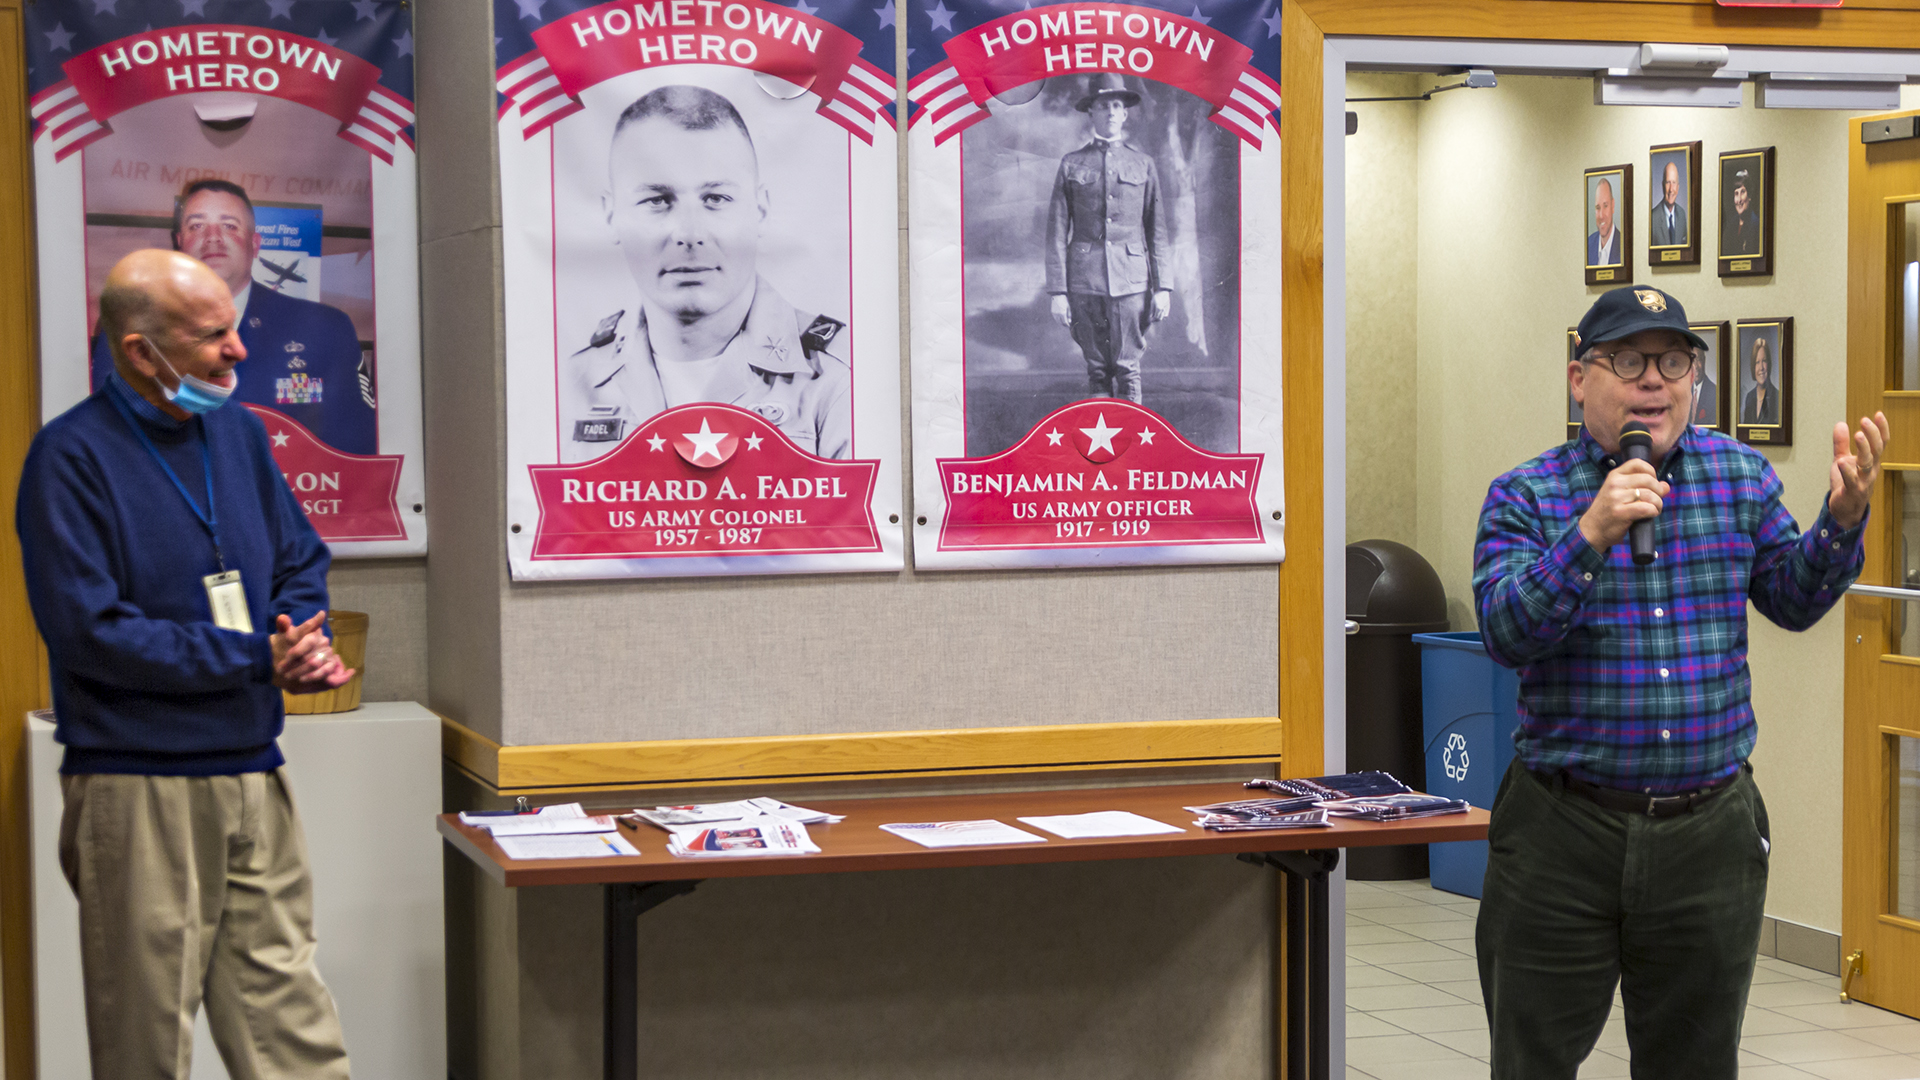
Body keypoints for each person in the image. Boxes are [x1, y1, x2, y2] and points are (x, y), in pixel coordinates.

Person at [1471, 284, 1888, 1080]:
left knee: (1694, 1064)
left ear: (1695, 377)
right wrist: (1591, 533)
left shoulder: (1740, 476)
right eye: (1628, 361)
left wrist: (1840, 522)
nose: (1654, 382)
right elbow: (1505, 633)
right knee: (1531, 1062)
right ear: (1579, 378)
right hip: (1562, 831)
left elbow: (1792, 600)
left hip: (1708, 836)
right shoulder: (1527, 494)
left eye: (1673, 361)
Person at [18, 249, 357, 1079]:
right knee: (146, 1044)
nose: (239, 349)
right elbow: (93, 633)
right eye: (211, 336)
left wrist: (300, 635)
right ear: (141, 352)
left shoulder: (239, 434)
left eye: (233, 327)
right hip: (139, 785)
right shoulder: (69, 458)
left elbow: (299, 558)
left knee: (295, 1035)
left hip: (254, 774)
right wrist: (257, 657)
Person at [559, 84, 852, 464]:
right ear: (612, 215)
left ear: (760, 210)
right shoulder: (568, 384)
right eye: (656, 200)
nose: (689, 234)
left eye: (716, 199)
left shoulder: (838, 379)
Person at [88, 180, 378, 455]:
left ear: (255, 244)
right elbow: (108, 436)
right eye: (197, 225)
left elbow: (356, 447)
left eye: (229, 225)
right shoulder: (131, 327)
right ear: (180, 243)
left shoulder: (326, 328)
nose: (213, 237)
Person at [1046, 72, 1172, 403]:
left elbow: (1156, 230)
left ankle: (1132, 434)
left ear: (1125, 113)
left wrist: (1163, 288)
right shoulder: (1072, 163)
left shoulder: (1142, 164)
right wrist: (1058, 292)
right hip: (1084, 282)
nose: (1111, 112)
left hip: (1132, 283)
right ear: (1091, 112)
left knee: (1128, 367)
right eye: (1103, 106)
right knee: (1097, 368)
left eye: (1116, 106)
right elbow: (1056, 230)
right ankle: (1102, 435)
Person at [1741, 335, 1781, 425]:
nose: (1761, 367)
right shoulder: (1749, 397)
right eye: (1757, 362)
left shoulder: (1777, 397)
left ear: (1769, 364)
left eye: (1764, 361)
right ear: (1753, 366)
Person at [1724, 169, 1761, 256]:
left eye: (1743, 192)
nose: (1739, 200)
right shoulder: (1730, 226)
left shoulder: (1756, 225)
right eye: (1736, 194)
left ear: (1749, 196)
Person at [1650, 160, 1687, 247]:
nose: (1671, 189)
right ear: (1662, 185)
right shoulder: (1652, 218)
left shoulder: (1682, 214)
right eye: (1668, 182)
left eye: (1674, 183)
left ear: (1678, 187)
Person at [1586, 177, 1621, 266]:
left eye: (1605, 206)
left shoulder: (1624, 246)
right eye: (1598, 208)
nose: (1601, 216)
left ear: (1613, 206)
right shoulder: (1588, 245)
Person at [1690, 347, 1718, 427]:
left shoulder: (1715, 393)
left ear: (1704, 361)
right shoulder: (1684, 391)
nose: (1696, 366)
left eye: (1698, 360)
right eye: (1692, 361)